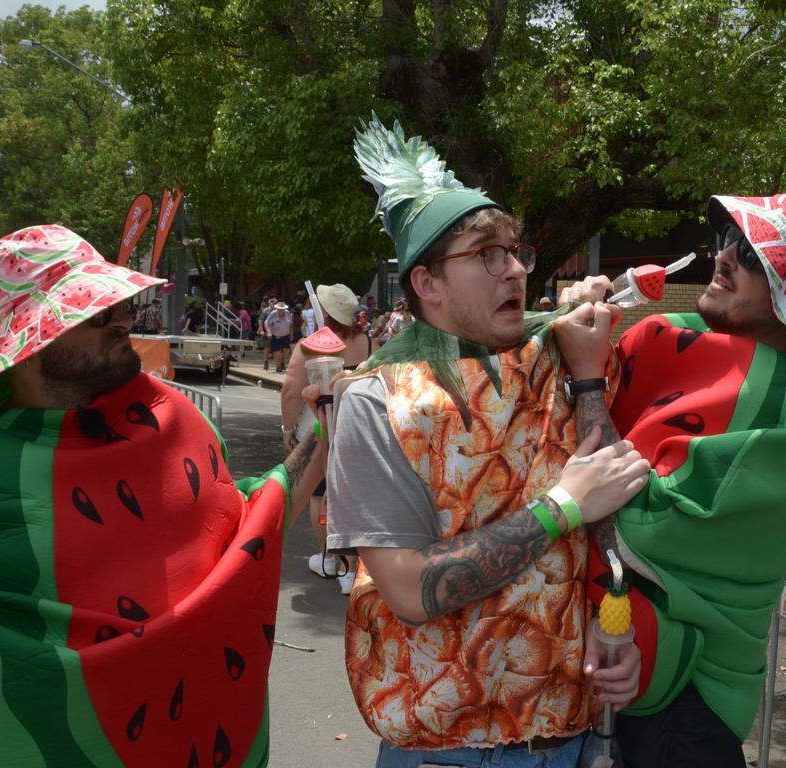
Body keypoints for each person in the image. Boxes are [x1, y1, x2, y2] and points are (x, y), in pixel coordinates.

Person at [0, 224, 327, 766]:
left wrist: (321, 431)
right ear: (30, 341)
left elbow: (247, 532)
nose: (125, 321)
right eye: (97, 312)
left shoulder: (175, 422)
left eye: (119, 305)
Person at [326, 115, 649, 766]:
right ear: (428, 284)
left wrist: (620, 630)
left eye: (515, 252)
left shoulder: (558, 358)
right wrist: (561, 507)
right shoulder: (375, 401)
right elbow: (412, 592)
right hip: (448, 749)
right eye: (486, 255)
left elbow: (614, 509)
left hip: (569, 735)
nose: (514, 271)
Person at [551, 193, 786, 768]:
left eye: (753, 254)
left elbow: (618, 511)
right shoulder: (723, 348)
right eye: (729, 239)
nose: (724, 257)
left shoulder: (772, 414)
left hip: (687, 704)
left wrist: (589, 376)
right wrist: (573, 321)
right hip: (643, 674)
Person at [281, 284, 377, 595]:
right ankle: (349, 570)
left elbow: (291, 391)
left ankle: (329, 561)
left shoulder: (310, 345)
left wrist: (287, 429)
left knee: (319, 495)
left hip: (319, 426)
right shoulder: (367, 341)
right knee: (349, 492)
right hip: (357, 425)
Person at [264, 301, 292, 373]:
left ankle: (282, 363)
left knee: (286, 352)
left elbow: (291, 324)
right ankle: (278, 366)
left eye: (282, 309)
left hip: (286, 335)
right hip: (276, 336)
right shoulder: (273, 314)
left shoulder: (288, 313)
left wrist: (292, 334)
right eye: (280, 309)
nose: (281, 311)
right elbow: (266, 323)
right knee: (278, 352)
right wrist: (268, 332)